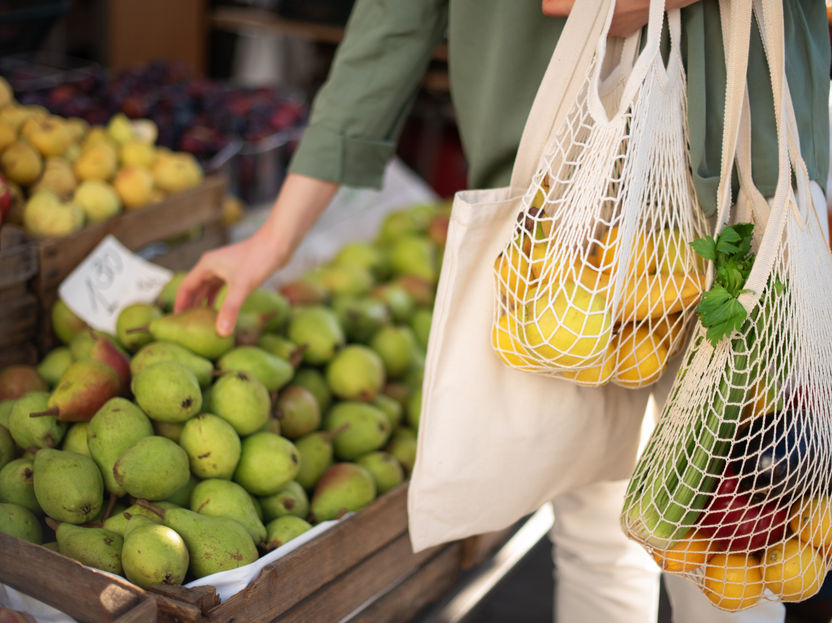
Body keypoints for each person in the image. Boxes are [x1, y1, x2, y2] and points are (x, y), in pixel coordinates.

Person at [176, 1, 830, 621]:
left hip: (748, 187)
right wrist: (275, 237)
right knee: (596, 525)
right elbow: (394, 20)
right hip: (566, 210)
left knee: (734, 543)